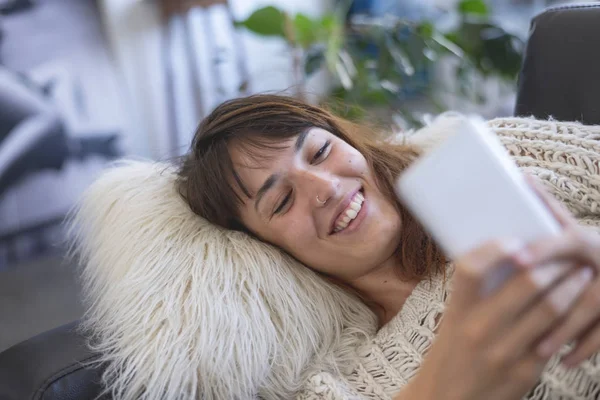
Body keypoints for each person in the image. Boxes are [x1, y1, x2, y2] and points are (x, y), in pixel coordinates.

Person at [177, 94, 600, 399]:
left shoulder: (504, 157)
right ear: (264, 247)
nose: (325, 188)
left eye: (320, 151)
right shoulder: (343, 384)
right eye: (282, 201)